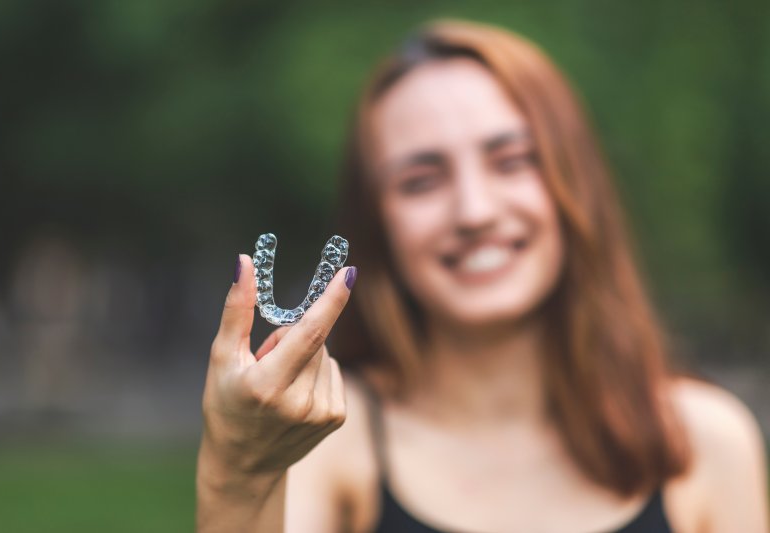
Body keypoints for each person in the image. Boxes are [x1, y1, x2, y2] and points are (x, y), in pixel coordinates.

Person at [196, 19, 769, 533]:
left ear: (576, 182)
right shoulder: (326, 441)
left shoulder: (706, 443)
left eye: (512, 160)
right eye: (421, 180)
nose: (474, 211)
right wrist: (240, 474)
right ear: (378, 226)